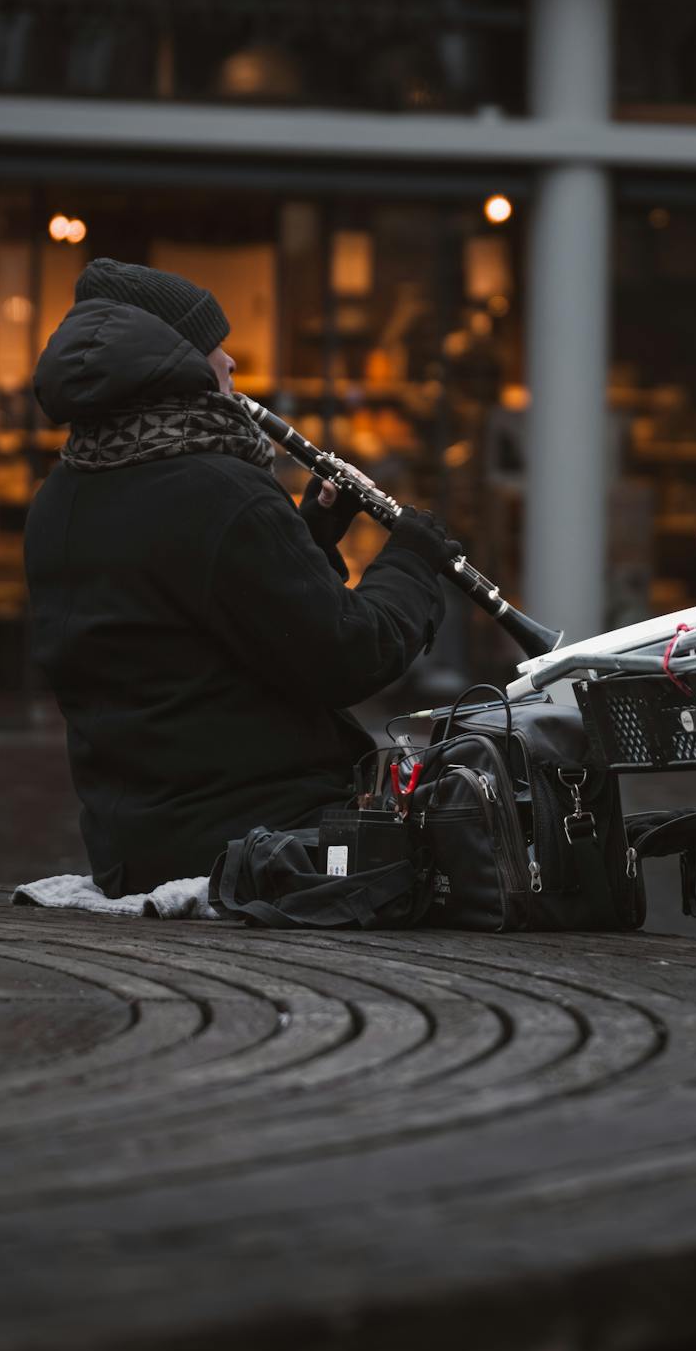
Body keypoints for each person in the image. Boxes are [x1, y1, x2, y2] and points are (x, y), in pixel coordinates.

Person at [25, 257, 458, 895]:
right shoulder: (222, 491)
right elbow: (349, 657)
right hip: (259, 841)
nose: (230, 364)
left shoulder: (62, 494)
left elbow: (191, 633)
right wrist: (411, 564)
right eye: (213, 347)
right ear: (174, 362)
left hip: (136, 842)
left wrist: (306, 539)